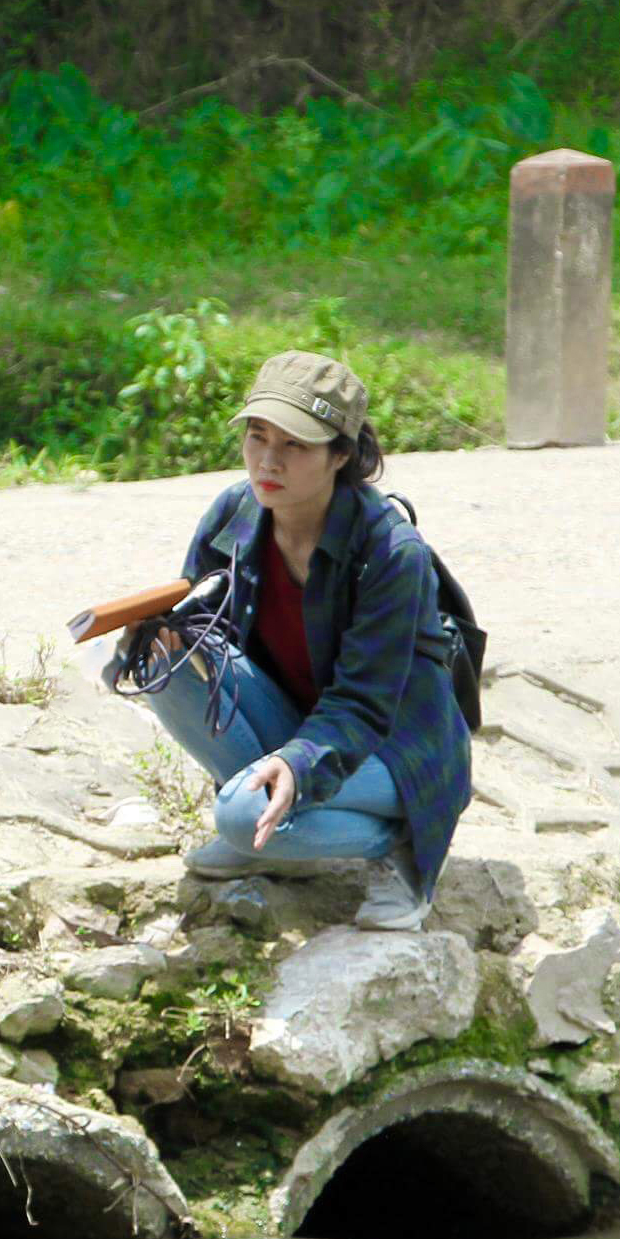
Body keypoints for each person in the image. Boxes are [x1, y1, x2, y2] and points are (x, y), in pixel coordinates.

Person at [112, 351, 472, 932]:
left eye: (295, 446)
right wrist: (145, 645)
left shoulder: (391, 554)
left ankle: (402, 845)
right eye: (257, 437)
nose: (268, 461)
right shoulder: (235, 510)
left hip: (391, 748)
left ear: (343, 456)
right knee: (172, 661)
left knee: (238, 814)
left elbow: (364, 704)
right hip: (300, 725)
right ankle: (276, 837)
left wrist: (298, 763)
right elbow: (208, 626)